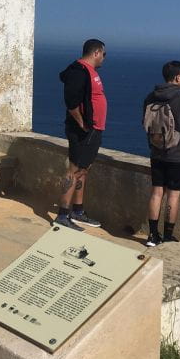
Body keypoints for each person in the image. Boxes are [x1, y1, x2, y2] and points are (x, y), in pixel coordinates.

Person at [143, 60, 180, 246]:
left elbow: (147, 125)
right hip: (178, 154)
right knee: (173, 195)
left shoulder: (150, 97)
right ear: (177, 77)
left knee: (156, 192)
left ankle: (152, 235)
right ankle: (167, 236)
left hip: (157, 153)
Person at [54, 39, 107, 230]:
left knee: (83, 169)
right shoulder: (79, 71)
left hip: (92, 130)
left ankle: (77, 211)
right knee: (74, 170)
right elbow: (71, 101)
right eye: (104, 54)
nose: (104, 58)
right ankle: (62, 214)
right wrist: (82, 123)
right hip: (83, 130)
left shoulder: (90, 72)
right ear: (96, 52)